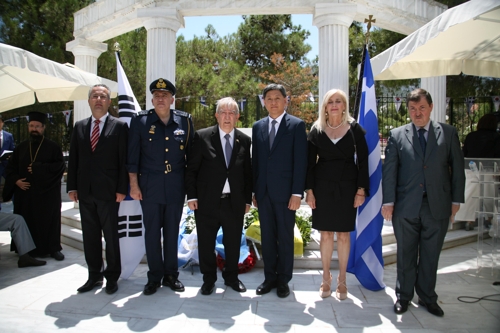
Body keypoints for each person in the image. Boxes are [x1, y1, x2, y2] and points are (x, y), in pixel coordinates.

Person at [382, 88, 465, 317]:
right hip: (405, 207)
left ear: (431, 107)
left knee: (430, 255)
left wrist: (456, 199)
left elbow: (458, 169)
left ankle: (428, 297)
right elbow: (389, 172)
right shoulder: (397, 135)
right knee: (405, 254)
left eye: (421, 108)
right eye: (412, 109)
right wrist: (388, 201)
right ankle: (403, 297)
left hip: (437, 205)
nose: (417, 113)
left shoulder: (448, 133)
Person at [127, 78, 194, 295]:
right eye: (156, 95)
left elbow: (191, 159)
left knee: (173, 232)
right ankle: (154, 277)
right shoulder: (140, 121)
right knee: (152, 233)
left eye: (165, 95)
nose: (160, 98)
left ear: (172, 99)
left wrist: (191, 190)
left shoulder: (185, 121)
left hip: (175, 185)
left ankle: (171, 275)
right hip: (150, 186)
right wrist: (134, 185)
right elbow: (132, 157)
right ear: (152, 99)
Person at [305, 89, 369, 300]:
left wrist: (361, 190)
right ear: (325, 106)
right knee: (325, 234)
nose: (334, 104)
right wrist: (310, 191)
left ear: (344, 106)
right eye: (330, 101)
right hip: (322, 189)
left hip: (347, 188)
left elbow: (363, 162)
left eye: (338, 101)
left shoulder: (355, 130)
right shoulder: (316, 130)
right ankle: (326, 278)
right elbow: (309, 165)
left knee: (343, 235)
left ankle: (342, 280)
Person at [185, 97, 252, 295]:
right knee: (206, 243)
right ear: (216, 115)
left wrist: (247, 199)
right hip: (207, 202)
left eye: (232, 113)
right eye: (223, 112)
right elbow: (192, 170)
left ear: (237, 117)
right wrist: (192, 197)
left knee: (232, 243)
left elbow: (248, 173)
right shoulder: (202, 136)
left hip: (234, 202)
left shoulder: (244, 140)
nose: (227, 117)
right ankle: (208, 280)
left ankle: (231, 278)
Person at [67, 84, 129, 295]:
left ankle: (112, 277)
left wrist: (122, 189)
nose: (99, 99)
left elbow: (124, 160)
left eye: (103, 96)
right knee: (90, 236)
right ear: (89, 101)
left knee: (111, 237)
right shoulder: (80, 126)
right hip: (85, 192)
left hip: (109, 192)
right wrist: (72, 187)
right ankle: (94, 276)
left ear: (109, 102)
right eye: (95, 96)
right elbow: (74, 159)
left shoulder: (119, 126)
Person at [251, 83, 308, 298]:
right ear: (263, 102)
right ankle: (269, 278)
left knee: (285, 237)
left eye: (277, 98)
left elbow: (300, 161)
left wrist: (296, 193)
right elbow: (256, 160)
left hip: (286, 195)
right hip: (264, 194)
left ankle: (284, 280)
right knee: (267, 236)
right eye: (269, 98)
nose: (273, 102)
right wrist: (255, 192)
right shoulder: (258, 127)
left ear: (286, 100)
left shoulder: (296, 125)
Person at [4, 111, 66, 261]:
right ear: (28, 127)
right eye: (32, 126)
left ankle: (53, 249)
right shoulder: (20, 148)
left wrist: (39, 168)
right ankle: (26, 249)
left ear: (43, 128)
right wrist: (16, 181)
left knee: (49, 221)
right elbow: (10, 169)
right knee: (26, 221)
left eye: (37, 126)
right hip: (25, 194)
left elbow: (59, 167)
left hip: (47, 194)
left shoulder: (53, 147)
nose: (34, 129)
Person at [457, 113, 500, 230]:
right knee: (489, 195)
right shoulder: (496, 136)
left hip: (470, 167)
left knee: (470, 193)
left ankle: (468, 219)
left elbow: (464, 152)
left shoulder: (471, 136)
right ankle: (490, 218)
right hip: (489, 169)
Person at [0, 114, 15, 181]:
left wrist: (9, 155)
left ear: (2, 123)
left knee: (10, 183)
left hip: (5, 164)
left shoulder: (8, 136)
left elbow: (12, 149)